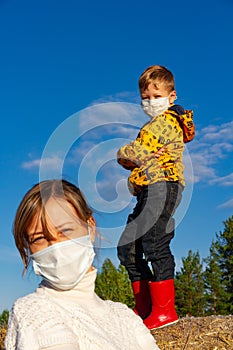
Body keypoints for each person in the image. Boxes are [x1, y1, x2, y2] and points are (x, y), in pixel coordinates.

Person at [5, 179, 160, 350]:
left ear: (90, 227)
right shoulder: (33, 310)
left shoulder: (124, 316)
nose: (56, 248)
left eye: (65, 231)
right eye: (39, 238)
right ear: (28, 247)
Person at [117, 65, 195, 330]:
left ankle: (164, 311)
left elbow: (134, 152)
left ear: (171, 96)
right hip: (150, 188)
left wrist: (122, 153)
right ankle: (145, 307)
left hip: (164, 186)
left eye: (156, 95)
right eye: (145, 98)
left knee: (154, 242)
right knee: (128, 247)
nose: (150, 102)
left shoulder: (166, 123)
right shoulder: (153, 124)